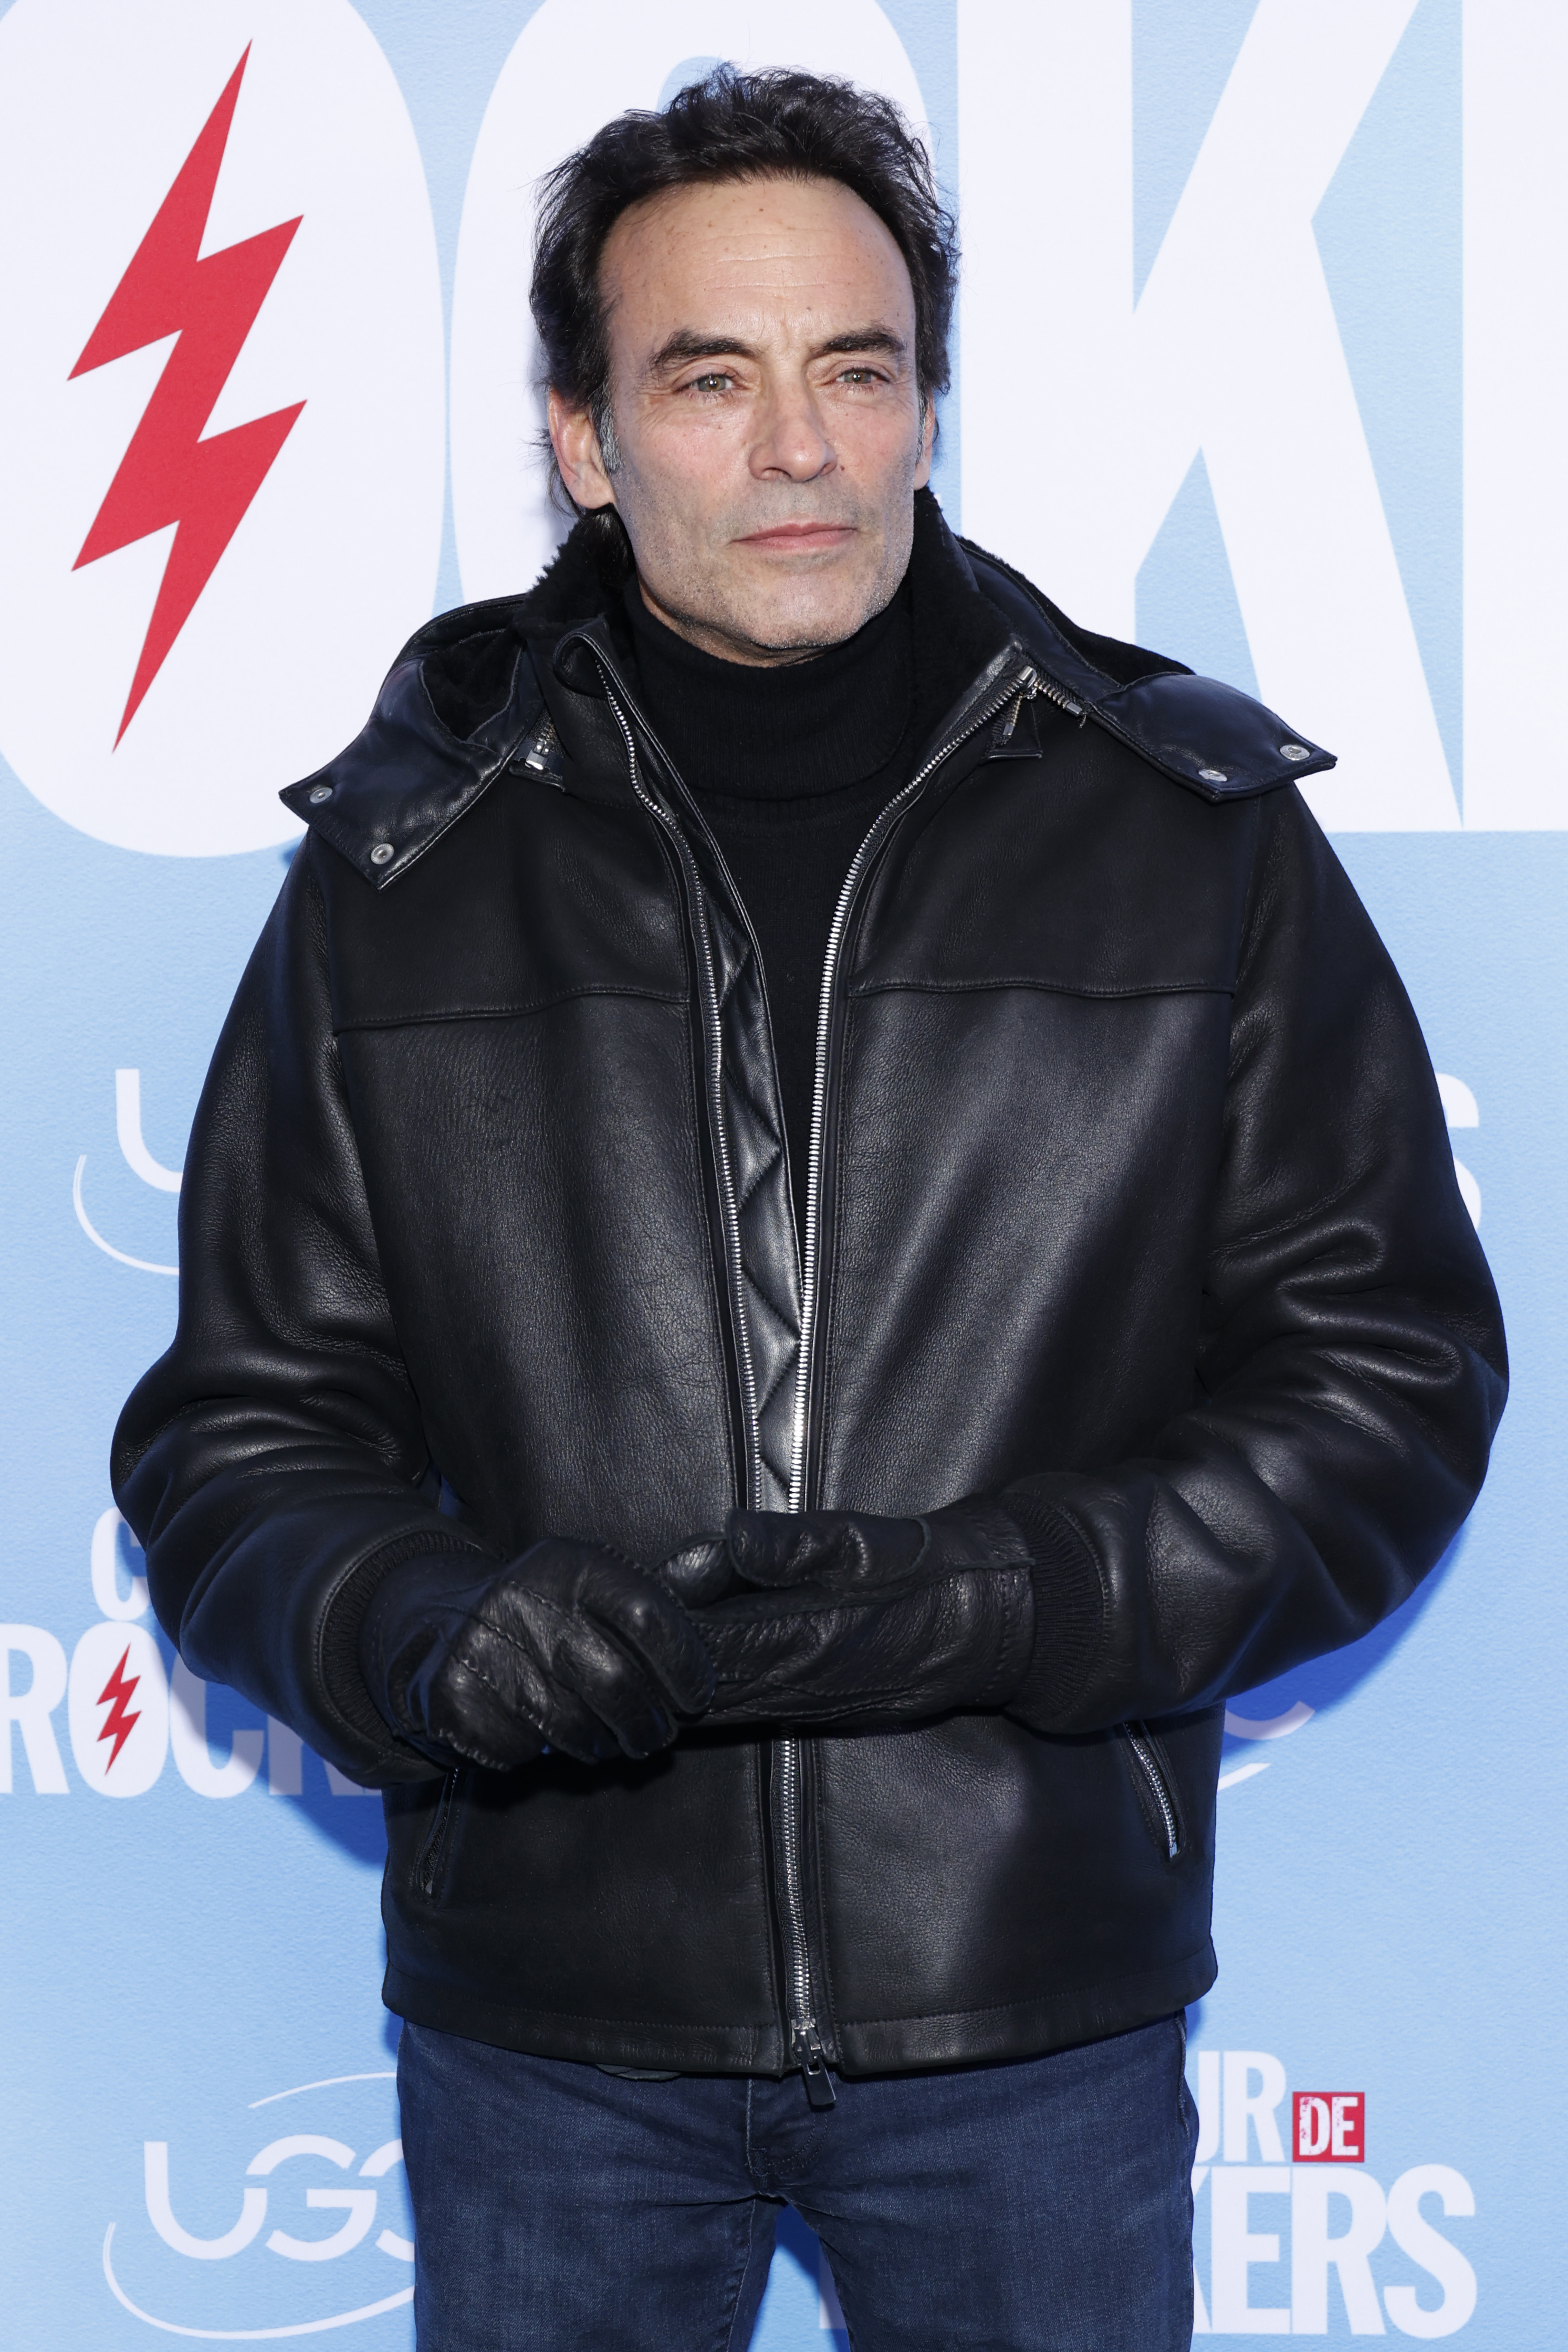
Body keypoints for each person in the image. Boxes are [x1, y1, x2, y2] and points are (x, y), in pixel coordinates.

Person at [113, 66, 1506, 2352]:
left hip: (1025, 2015)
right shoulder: (400, 872)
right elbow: (240, 1434)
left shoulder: (1192, 824)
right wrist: (427, 1630)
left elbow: (1388, 1374)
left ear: (926, 405)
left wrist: (1006, 1593)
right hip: (553, 2034)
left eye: (856, 370)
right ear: (583, 436)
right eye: (710, 377)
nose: (798, 447)